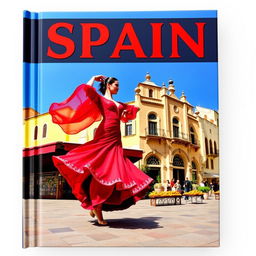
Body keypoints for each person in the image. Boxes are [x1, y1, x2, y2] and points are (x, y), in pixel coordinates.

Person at [49, 75, 154, 226]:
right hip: (104, 134)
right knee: (101, 168)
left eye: (118, 85)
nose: (118, 87)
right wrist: (93, 78)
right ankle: (97, 208)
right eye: (116, 85)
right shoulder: (100, 99)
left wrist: (128, 112)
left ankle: (95, 204)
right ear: (108, 85)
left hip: (116, 138)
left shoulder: (118, 103)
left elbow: (127, 116)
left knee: (113, 170)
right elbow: (86, 89)